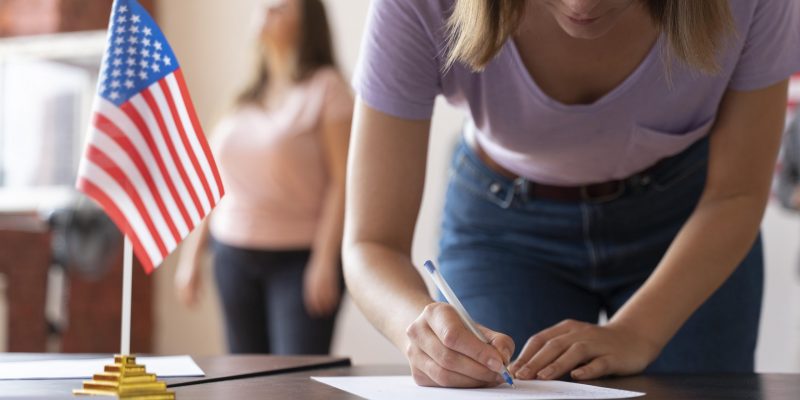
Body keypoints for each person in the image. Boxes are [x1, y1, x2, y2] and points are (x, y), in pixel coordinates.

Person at [343, 0, 800, 388]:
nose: (582, 6)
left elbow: (736, 194)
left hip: (691, 219)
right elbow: (371, 242)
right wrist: (416, 326)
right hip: (503, 229)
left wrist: (637, 332)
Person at [175, 0, 353, 355]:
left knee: (293, 386)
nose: (264, 10)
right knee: (244, 382)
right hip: (232, 258)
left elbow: (343, 181)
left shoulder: (326, 87)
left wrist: (324, 259)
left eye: (278, 6)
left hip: (299, 261)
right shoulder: (242, 97)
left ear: (306, 21)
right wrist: (191, 257)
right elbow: (217, 182)